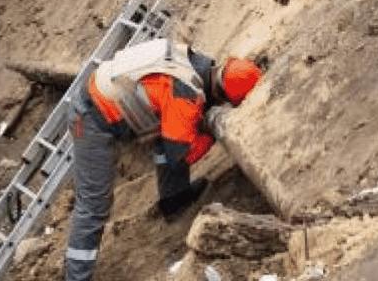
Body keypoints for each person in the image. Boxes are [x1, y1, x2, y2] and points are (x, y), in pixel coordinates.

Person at [65, 38, 262, 281]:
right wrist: (209, 138)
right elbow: (179, 156)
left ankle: (174, 199)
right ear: (222, 95)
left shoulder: (195, 61)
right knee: (93, 204)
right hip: (91, 117)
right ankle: (76, 276)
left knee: (170, 132)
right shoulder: (185, 93)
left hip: (103, 94)